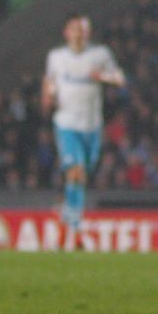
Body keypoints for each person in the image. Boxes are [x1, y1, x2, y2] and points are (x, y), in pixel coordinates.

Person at [40, 14, 125, 237]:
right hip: (66, 123)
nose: (79, 33)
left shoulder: (100, 54)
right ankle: (74, 220)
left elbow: (119, 78)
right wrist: (48, 95)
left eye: (83, 29)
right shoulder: (56, 57)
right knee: (75, 169)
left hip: (93, 125)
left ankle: (67, 208)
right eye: (75, 29)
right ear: (66, 32)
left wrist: (102, 76)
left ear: (87, 33)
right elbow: (50, 80)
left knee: (82, 174)